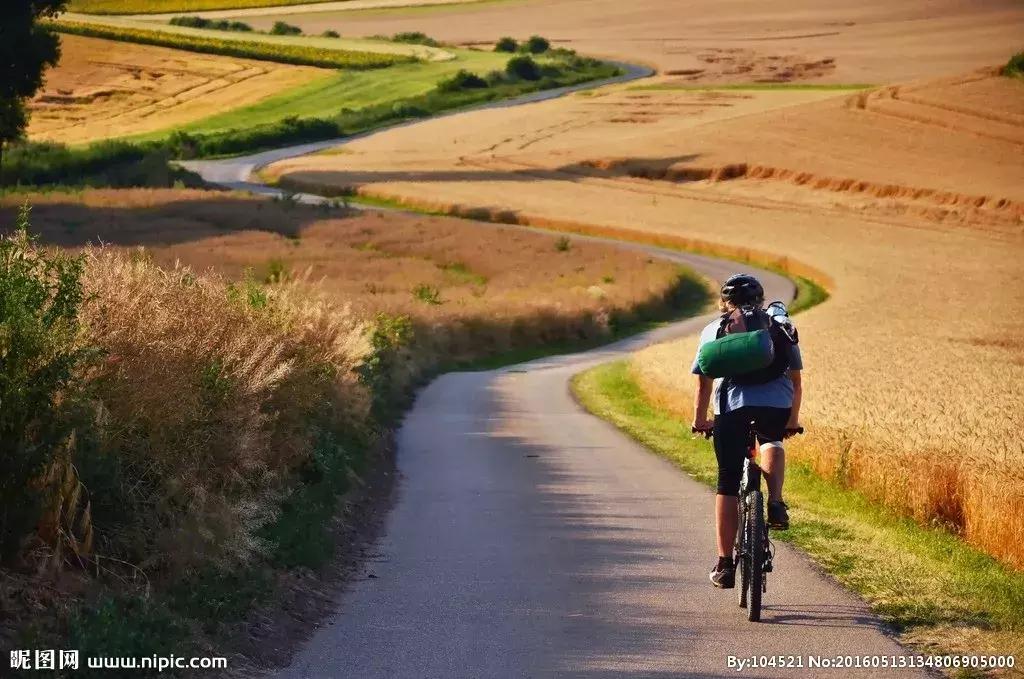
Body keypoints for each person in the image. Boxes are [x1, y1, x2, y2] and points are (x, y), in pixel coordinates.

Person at [691, 273, 803, 589]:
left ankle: (725, 564)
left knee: (727, 480)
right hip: (775, 404)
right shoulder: (779, 324)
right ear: (761, 298)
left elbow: (704, 381)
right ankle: (776, 501)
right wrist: (792, 419)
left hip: (730, 408)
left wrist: (701, 419)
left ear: (726, 303)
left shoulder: (713, 329)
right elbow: (795, 380)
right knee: (771, 440)